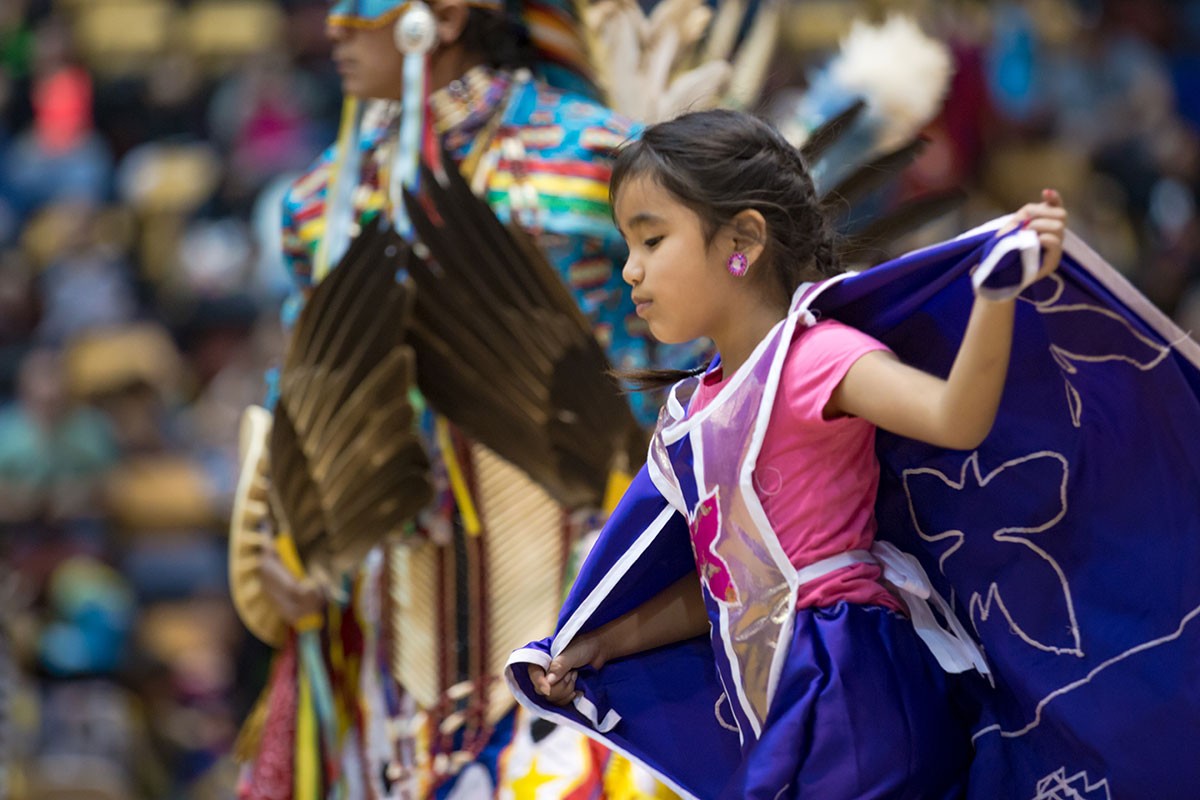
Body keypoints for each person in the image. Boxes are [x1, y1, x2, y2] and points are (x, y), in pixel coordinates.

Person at [520, 109, 1067, 798]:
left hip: (852, 680)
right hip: (780, 685)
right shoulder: (692, 410)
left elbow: (954, 419)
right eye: (627, 245)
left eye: (652, 240)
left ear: (742, 241)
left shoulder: (815, 360)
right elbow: (730, 583)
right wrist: (601, 643)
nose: (630, 269)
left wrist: (995, 296)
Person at [231, 1, 687, 797]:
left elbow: (692, 365)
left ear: (443, 14)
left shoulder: (597, 161)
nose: (334, 27)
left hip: (591, 586)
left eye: (356, 8)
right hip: (393, 609)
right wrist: (282, 535)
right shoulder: (319, 203)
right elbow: (303, 390)